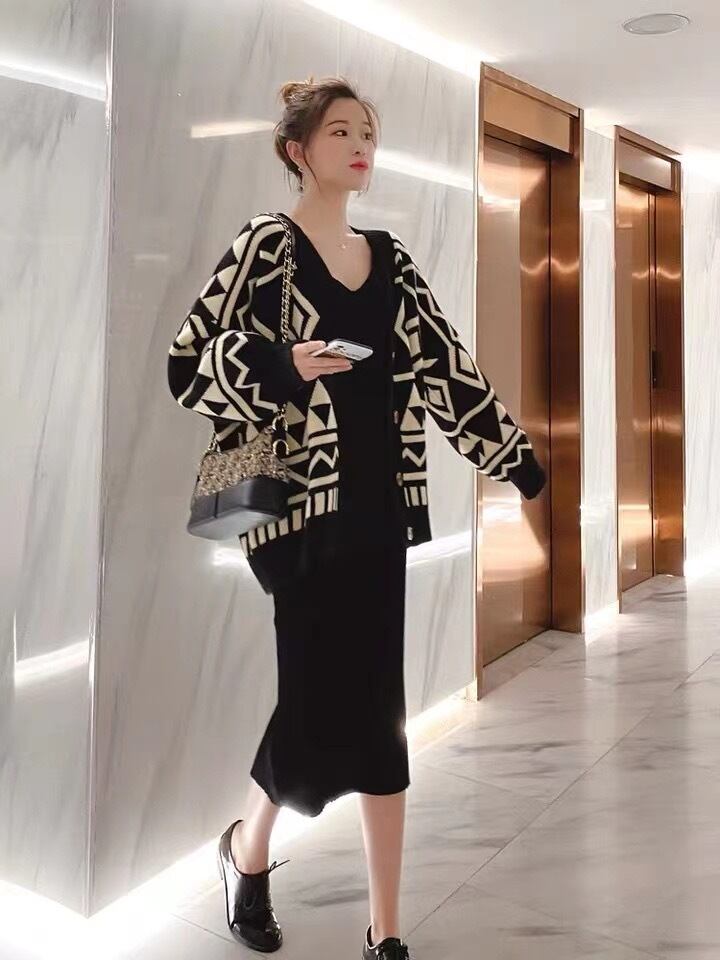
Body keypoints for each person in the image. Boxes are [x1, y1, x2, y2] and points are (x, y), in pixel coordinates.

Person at [167, 75, 546, 960]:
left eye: (368, 131)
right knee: (311, 708)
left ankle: (387, 929)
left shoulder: (392, 259)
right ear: (297, 150)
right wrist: (282, 364)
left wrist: (512, 456)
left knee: (379, 713)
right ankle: (247, 850)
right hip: (297, 520)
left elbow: (446, 367)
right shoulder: (266, 246)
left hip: (380, 511)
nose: (360, 144)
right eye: (340, 131)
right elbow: (189, 364)